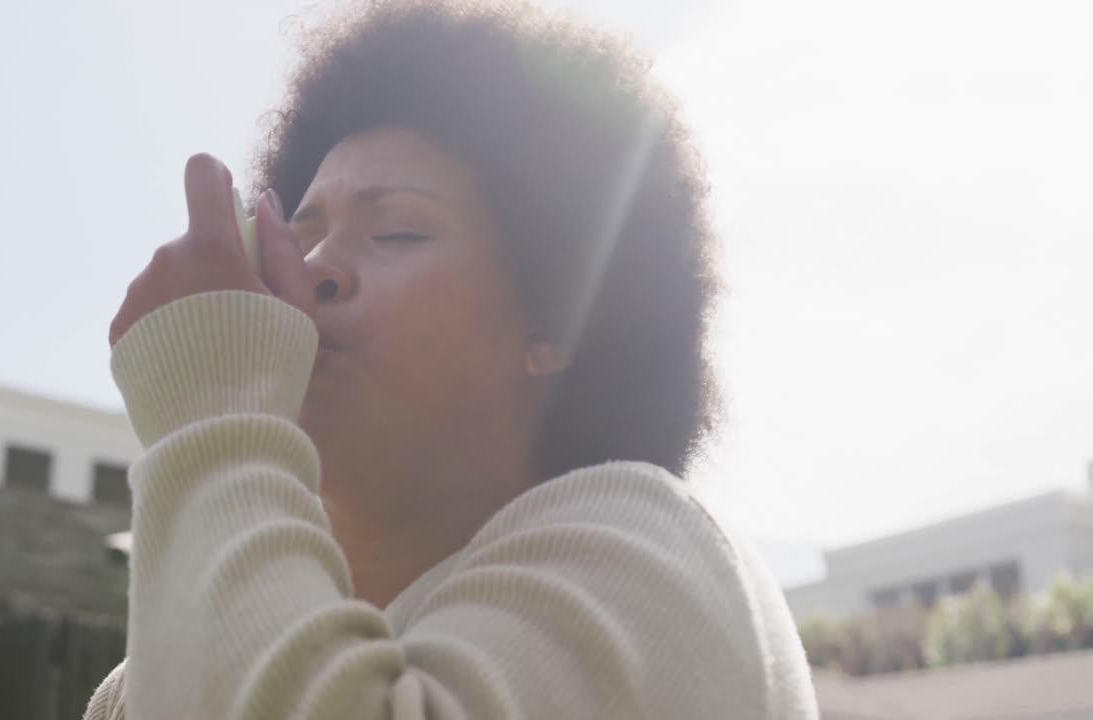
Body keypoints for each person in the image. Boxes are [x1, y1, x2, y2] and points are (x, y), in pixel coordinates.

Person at [86, 1, 817, 718]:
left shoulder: (657, 554)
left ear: (557, 321)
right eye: (299, 239)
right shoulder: (143, 685)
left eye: (398, 232)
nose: (313, 271)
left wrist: (214, 404)